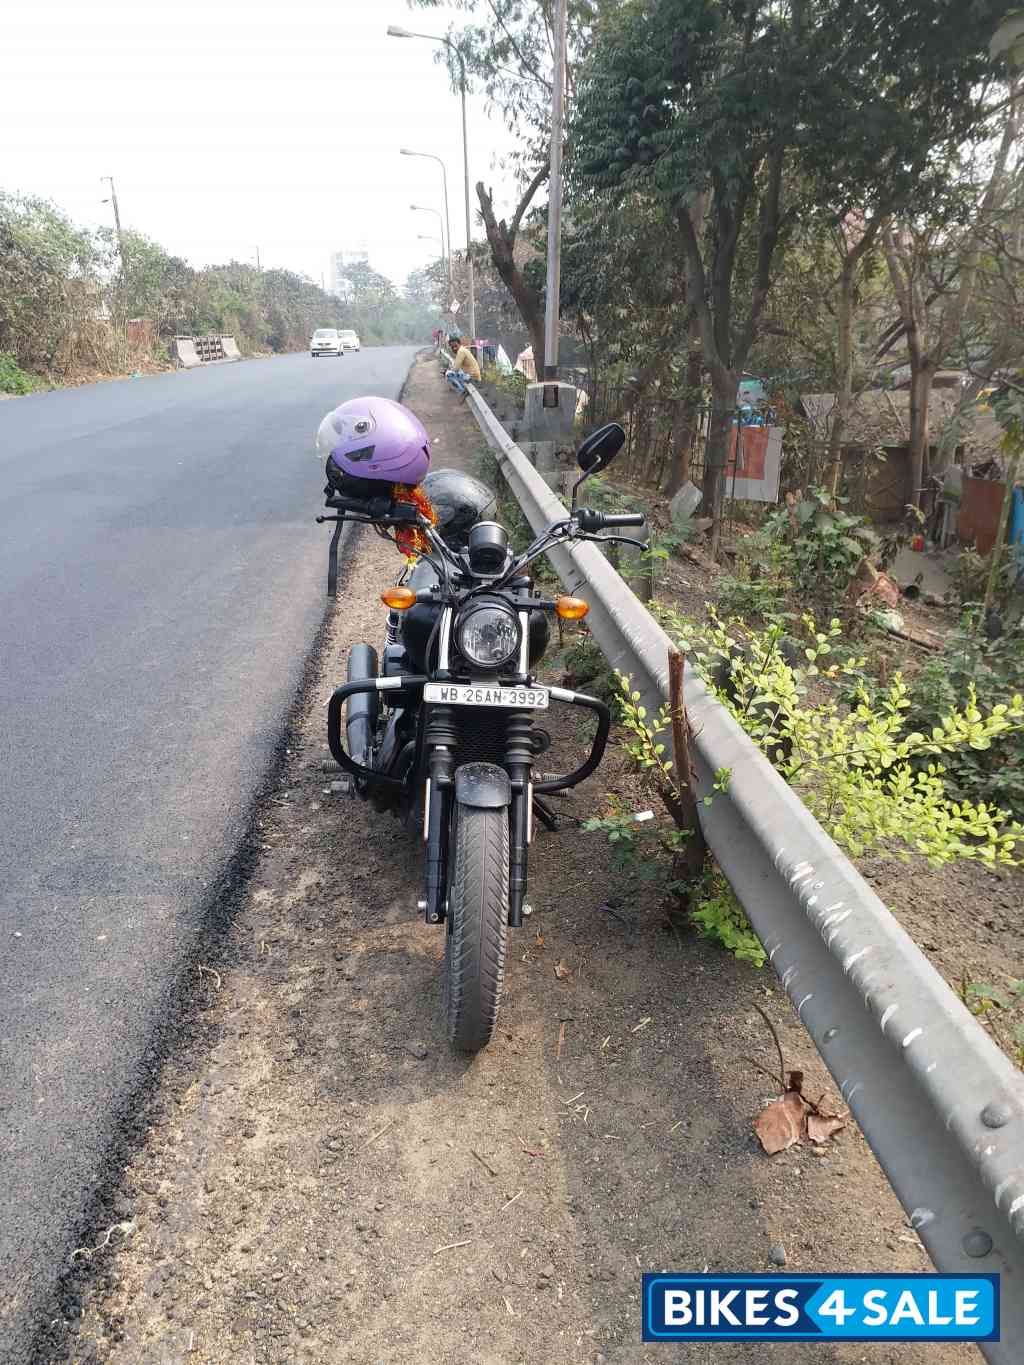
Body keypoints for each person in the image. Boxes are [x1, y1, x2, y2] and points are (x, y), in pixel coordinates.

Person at [445, 333, 481, 398]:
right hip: (473, 374)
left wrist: (448, 371)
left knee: (448, 375)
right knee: (454, 373)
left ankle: (463, 391)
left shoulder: (461, 351)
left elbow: (455, 368)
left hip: (472, 376)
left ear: (459, 344)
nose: (454, 348)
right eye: (452, 347)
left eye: (455, 346)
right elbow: (456, 366)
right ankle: (463, 388)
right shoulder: (462, 350)